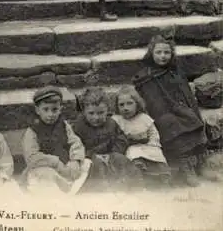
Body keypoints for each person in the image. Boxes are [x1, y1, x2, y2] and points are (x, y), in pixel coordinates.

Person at [133, 35, 214, 187]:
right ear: (151, 53)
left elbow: (186, 94)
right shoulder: (146, 77)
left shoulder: (175, 71)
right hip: (163, 113)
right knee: (174, 127)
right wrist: (175, 112)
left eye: (166, 53)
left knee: (194, 121)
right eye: (158, 52)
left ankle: (198, 164)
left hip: (181, 109)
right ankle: (185, 167)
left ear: (172, 54)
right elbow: (153, 102)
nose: (162, 56)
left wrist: (188, 109)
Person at [22, 86, 90, 194]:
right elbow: (32, 157)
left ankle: (71, 189)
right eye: (46, 109)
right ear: (37, 110)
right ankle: (58, 193)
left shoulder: (64, 125)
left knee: (86, 163)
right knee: (44, 175)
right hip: (48, 167)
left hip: (66, 166)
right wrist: (56, 163)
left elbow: (75, 143)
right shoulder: (32, 130)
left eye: (54, 110)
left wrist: (75, 161)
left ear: (60, 109)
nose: (50, 114)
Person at [73, 87, 142, 192]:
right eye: (91, 113)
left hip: (111, 156)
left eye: (100, 113)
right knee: (95, 169)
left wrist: (114, 153)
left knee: (122, 162)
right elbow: (75, 145)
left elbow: (121, 139)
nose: (96, 117)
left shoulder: (111, 124)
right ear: (84, 112)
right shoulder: (79, 126)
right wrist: (89, 155)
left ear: (107, 111)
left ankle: (134, 188)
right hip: (90, 159)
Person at [112, 85, 171, 186]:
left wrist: (153, 144)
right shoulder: (117, 120)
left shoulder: (144, 118)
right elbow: (115, 137)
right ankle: (141, 180)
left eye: (129, 103)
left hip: (148, 146)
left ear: (137, 104)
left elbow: (153, 134)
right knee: (134, 155)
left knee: (156, 155)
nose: (125, 108)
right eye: (121, 105)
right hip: (130, 147)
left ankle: (162, 178)